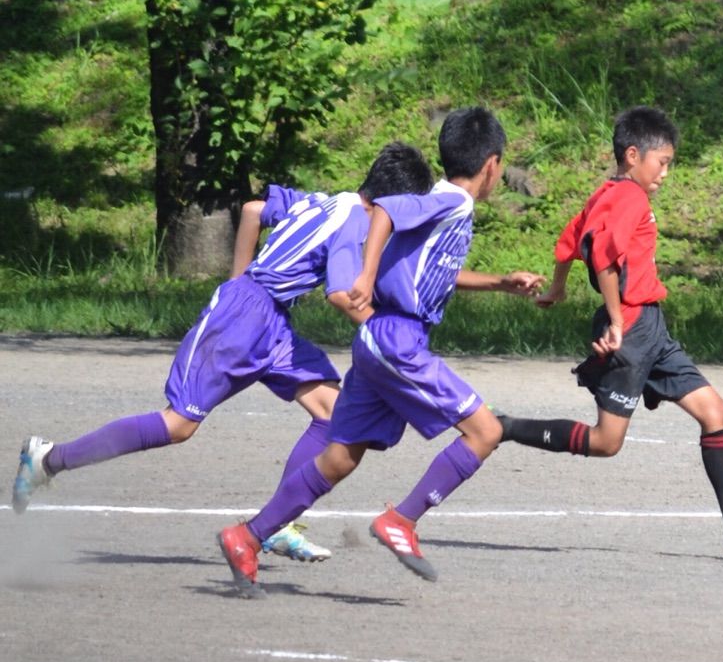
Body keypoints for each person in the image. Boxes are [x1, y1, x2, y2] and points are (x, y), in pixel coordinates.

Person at [11, 141, 434, 564]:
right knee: (178, 425)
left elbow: (253, 211)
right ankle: (50, 459)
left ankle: (276, 524)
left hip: (270, 320)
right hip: (243, 319)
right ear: (389, 203)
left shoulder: (324, 202)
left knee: (332, 413)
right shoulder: (355, 223)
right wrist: (387, 336)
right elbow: (341, 295)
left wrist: (240, 282)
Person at [216, 106, 544, 596]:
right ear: (493, 165)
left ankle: (248, 536)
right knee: (485, 430)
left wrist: (500, 282)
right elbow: (387, 210)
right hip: (397, 341)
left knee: (342, 457)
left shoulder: (441, 202)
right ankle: (402, 520)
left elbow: (427, 272)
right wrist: (364, 277)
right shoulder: (453, 202)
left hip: (376, 343)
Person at [498, 105, 723, 556]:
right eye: (663, 163)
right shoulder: (629, 198)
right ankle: (504, 427)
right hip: (632, 330)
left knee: (716, 413)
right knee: (605, 443)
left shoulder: (605, 193)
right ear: (633, 155)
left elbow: (569, 241)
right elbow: (602, 258)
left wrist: (558, 289)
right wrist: (616, 321)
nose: (666, 174)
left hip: (651, 328)